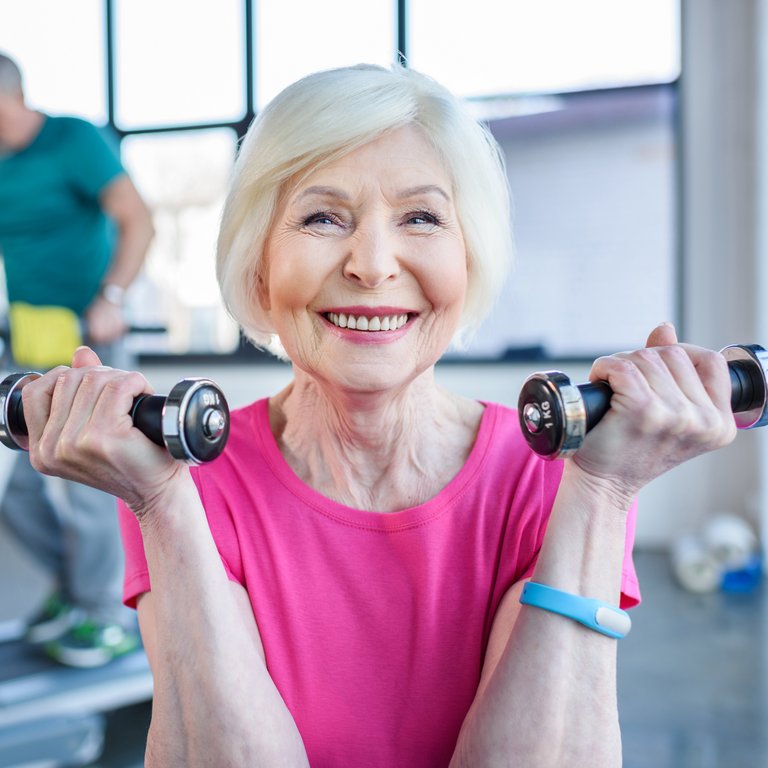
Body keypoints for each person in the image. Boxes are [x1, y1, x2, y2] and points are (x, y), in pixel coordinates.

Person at [20, 64, 736, 766]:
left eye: (421, 217)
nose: (372, 263)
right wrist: (158, 503)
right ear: (260, 267)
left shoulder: (554, 475)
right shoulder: (186, 481)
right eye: (322, 217)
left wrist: (606, 493)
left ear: (468, 260)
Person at [0, 51, 154, 667]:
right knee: (19, 486)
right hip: (29, 340)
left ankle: (106, 613)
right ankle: (78, 592)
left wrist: (111, 296)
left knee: (91, 481)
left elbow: (137, 220)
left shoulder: (72, 140)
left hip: (93, 335)